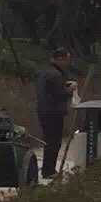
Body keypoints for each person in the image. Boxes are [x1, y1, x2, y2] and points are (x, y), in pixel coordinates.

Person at [36, 47, 76, 179]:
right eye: (67, 60)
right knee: (54, 142)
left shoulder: (46, 72)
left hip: (44, 110)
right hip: (53, 112)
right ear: (60, 59)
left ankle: (48, 169)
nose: (68, 63)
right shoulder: (55, 74)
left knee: (50, 141)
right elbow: (59, 94)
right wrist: (70, 89)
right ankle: (49, 171)